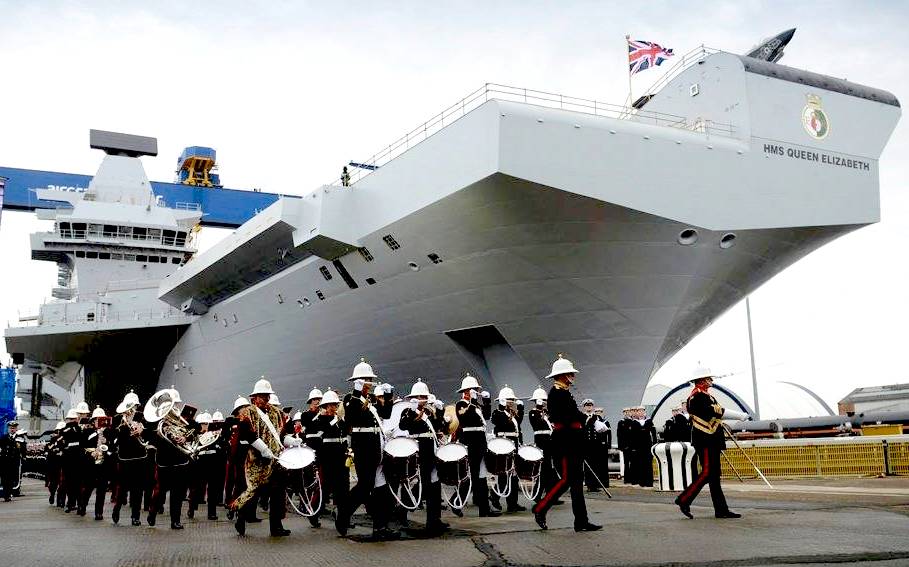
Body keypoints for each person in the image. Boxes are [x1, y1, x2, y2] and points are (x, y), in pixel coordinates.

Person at [532, 355, 601, 532]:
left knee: (577, 482)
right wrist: (585, 418)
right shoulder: (556, 394)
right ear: (562, 375)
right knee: (566, 480)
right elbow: (564, 417)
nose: (573, 376)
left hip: (573, 442)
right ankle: (540, 509)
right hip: (565, 443)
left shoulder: (563, 392)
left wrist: (584, 419)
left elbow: (572, 415)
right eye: (570, 373)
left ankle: (581, 521)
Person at [336, 358, 398, 540]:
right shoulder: (351, 398)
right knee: (364, 487)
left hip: (377, 449)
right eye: (365, 380)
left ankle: (380, 527)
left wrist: (388, 396)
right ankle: (343, 514)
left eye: (369, 380)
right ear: (358, 380)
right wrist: (356, 389)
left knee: (381, 490)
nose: (369, 384)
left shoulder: (370, 399)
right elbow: (352, 416)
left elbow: (385, 413)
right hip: (364, 450)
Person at [674, 366, 746, 519]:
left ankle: (721, 510)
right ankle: (683, 499)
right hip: (705, 440)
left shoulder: (705, 395)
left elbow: (715, 414)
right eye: (708, 378)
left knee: (714, 476)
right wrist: (739, 415)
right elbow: (712, 412)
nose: (711, 380)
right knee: (707, 473)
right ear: (702, 381)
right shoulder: (697, 396)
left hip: (711, 439)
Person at [231, 378, 290, 537]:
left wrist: (292, 440)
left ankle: (276, 527)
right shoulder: (247, 413)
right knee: (254, 492)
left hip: (276, 461)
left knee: (278, 493)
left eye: (267, 395)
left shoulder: (277, 413)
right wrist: (263, 448)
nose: (266, 399)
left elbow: (281, 435)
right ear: (254, 397)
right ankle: (241, 518)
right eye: (262, 396)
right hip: (257, 460)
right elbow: (247, 434)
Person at [399, 380, 449, 535]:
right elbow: (403, 425)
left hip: (432, 450)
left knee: (434, 485)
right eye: (419, 396)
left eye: (424, 396)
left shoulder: (429, 412)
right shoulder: (408, 411)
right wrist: (412, 411)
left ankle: (434, 520)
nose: (422, 399)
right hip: (420, 450)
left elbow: (439, 427)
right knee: (423, 484)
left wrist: (439, 412)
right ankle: (403, 511)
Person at [145, 388, 193, 529]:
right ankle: (152, 512)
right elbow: (152, 438)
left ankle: (175, 521)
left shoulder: (181, 420)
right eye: (173, 404)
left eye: (176, 404)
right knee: (160, 492)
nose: (175, 407)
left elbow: (192, 430)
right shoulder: (156, 422)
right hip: (164, 461)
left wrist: (184, 437)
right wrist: (166, 435)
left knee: (177, 493)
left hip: (180, 460)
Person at [452, 374, 499, 518]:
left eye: (475, 389)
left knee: (482, 475)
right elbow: (466, 418)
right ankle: (455, 501)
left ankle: (484, 509)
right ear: (465, 391)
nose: (475, 391)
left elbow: (486, 416)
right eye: (472, 389)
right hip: (471, 441)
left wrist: (487, 401)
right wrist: (472, 402)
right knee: (471, 476)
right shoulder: (461, 404)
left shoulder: (475, 405)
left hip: (480, 441)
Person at [306, 390, 348, 528]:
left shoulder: (340, 420)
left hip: (341, 456)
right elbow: (319, 435)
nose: (333, 408)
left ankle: (340, 514)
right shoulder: (319, 420)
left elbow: (345, 434)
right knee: (324, 487)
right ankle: (313, 512)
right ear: (324, 406)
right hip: (327, 457)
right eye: (330, 405)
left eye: (335, 405)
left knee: (342, 487)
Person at [112, 391, 148, 526]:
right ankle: (117, 508)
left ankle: (136, 516)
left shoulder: (142, 417)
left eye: (134, 406)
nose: (131, 409)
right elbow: (113, 436)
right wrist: (122, 427)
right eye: (129, 406)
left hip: (139, 456)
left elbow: (149, 433)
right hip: (125, 457)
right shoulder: (117, 418)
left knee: (138, 489)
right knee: (122, 488)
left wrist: (141, 430)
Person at [490, 385, 525, 513]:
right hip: (504, 445)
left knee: (514, 475)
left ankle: (513, 503)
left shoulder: (512, 414)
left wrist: (520, 409)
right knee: (504, 474)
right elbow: (499, 423)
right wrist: (504, 408)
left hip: (514, 444)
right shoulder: (498, 413)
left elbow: (517, 427)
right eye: (510, 399)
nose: (512, 402)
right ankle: (494, 497)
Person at [80, 406, 114, 519]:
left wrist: (106, 440)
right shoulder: (87, 431)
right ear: (93, 421)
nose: (99, 421)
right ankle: (82, 505)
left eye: (102, 419)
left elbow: (112, 446)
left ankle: (99, 512)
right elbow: (83, 446)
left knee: (102, 489)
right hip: (91, 463)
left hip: (104, 463)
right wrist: (90, 452)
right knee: (88, 487)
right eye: (97, 419)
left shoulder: (108, 432)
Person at [527, 386, 556, 503]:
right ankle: (537, 495)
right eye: (542, 400)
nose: (544, 403)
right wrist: (541, 411)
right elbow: (537, 424)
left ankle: (551, 495)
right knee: (543, 470)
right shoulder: (533, 413)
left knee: (550, 470)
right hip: (541, 442)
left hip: (549, 442)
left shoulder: (547, 412)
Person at [582, 401, 610, 491]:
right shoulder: (582, 417)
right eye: (587, 406)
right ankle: (589, 484)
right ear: (584, 407)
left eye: (590, 405)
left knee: (596, 465)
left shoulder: (597, 417)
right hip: (586, 445)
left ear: (593, 407)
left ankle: (595, 485)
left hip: (596, 444)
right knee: (588, 466)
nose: (589, 407)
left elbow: (603, 430)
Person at [60, 408, 84, 512]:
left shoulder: (71, 429)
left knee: (72, 483)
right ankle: (75, 504)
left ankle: (73, 504)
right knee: (75, 483)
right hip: (75, 458)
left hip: (70, 458)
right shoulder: (74, 428)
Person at [0, 421, 26, 501]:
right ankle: (6, 494)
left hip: (14, 462)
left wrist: (23, 457)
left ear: (16, 429)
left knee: (11, 479)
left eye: (14, 428)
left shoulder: (20, 438)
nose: (12, 429)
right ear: (8, 429)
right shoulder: (4, 438)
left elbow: (23, 449)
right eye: (11, 428)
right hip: (5, 461)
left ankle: (9, 492)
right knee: (4, 478)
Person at [631, 406, 657, 487]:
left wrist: (654, 444)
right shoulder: (634, 422)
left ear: (644, 412)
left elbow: (653, 433)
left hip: (647, 445)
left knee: (648, 464)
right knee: (640, 464)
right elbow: (632, 436)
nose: (641, 413)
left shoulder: (649, 421)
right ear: (637, 413)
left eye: (642, 411)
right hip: (638, 446)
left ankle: (649, 482)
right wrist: (633, 447)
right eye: (639, 411)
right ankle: (642, 482)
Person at [45, 422, 65, 506]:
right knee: (53, 483)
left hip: (63, 463)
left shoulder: (66, 439)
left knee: (63, 483)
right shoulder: (53, 440)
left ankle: (61, 500)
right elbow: (48, 450)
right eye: (59, 430)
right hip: (53, 464)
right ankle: (52, 494)